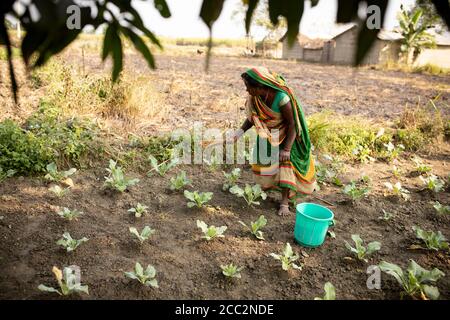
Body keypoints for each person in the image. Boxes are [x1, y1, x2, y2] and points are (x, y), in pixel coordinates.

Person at [233, 67, 316, 216]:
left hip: (288, 135)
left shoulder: (282, 99)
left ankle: (284, 202)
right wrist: (238, 133)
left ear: (260, 86)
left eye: (248, 87)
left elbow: (292, 124)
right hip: (269, 134)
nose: (247, 91)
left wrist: (287, 149)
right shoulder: (256, 98)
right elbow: (252, 118)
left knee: (286, 165)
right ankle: (268, 189)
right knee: (267, 163)